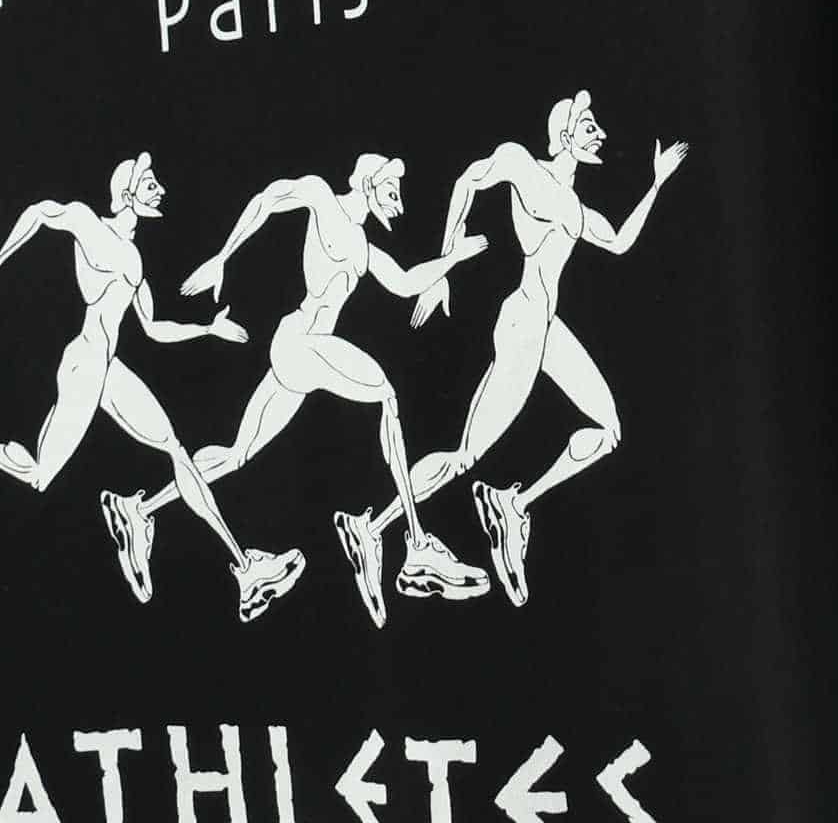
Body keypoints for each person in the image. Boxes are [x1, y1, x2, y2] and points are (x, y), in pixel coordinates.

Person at [111, 153, 489, 627]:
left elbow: (405, 282)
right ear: (368, 184)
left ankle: (139, 509)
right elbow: (269, 199)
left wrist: (453, 259)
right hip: (301, 343)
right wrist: (222, 258)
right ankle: (415, 547)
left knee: (236, 453)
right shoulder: (322, 197)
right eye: (392, 191)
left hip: (301, 354)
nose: (399, 203)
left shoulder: (364, 247)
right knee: (387, 396)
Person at [364, 91, 687, 605]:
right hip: (521, 328)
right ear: (564, 135)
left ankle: (513, 506)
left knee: (609, 430)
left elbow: (619, 241)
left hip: (546, 328)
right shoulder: (527, 169)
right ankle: (374, 528)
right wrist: (445, 266)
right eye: (589, 127)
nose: (600, 135)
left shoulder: (573, 205)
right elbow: (468, 180)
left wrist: (656, 183)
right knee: (465, 456)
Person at [0, 152, 305, 622]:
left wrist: (208, 328)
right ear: (126, 194)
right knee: (40, 477)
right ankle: (137, 520)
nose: (159, 189)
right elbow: (41, 212)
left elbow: (154, 327)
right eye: (149, 184)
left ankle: (244, 569)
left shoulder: (135, 259)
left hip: (109, 370)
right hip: (84, 367)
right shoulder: (89, 224)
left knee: (176, 448)